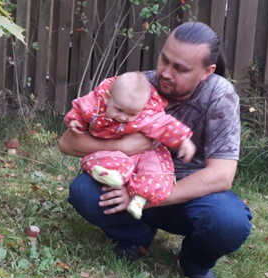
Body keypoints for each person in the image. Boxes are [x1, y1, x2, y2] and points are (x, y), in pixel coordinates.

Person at [59, 22, 252, 278]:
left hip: (188, 197)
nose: (166, 73)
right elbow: (67, 143)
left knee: (228, 221)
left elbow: (221, 175)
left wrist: (146, 197)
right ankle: (135, 236)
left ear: (207, 72)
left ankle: (195, 262)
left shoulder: (219, 95)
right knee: (83, 191)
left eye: (180, 68)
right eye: (164, 59)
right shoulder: (136, 86)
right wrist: (124, 147)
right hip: (130, 183)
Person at [64, 71, 196, 220]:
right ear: (108, 98)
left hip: (144, 153)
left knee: (155, 168)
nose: (123, 117)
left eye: (132, 114)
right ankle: (114, 176)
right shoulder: (96, 104)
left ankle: (139, 199)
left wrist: (183, 140)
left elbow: (166, 124)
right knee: (106, 156)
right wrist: (75, 121)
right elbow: (81, 109)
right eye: (119, 110)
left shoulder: (147, 114)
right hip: (113, 151)